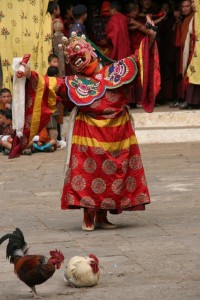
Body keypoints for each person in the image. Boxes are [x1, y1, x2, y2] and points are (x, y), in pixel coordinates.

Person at [10, 32, 160, 231]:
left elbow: (139, 60)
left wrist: (148, 40)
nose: (75, 56)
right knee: (90, 173)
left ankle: (102, 216)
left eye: (79, 51)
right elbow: (50, 84)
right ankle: (88, 216)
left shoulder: (115, 70)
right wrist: (29, 74)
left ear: (92, 51)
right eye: (72, 56)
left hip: (119, 133)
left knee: (114, 175)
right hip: (89, 133)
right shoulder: (74, 82)